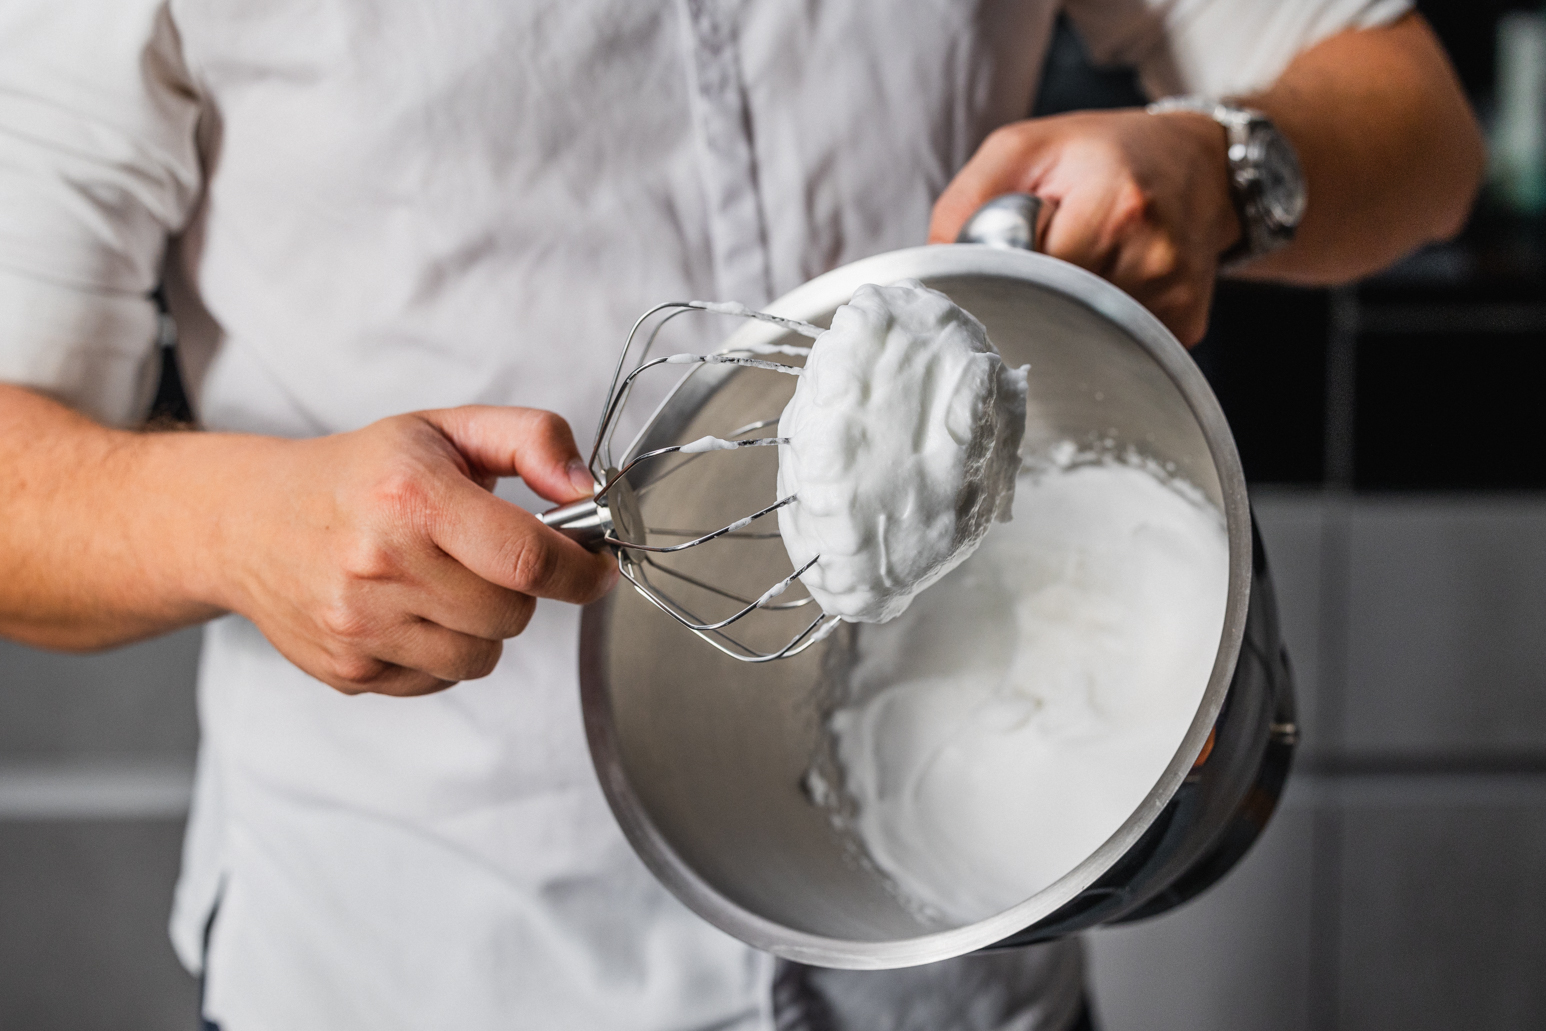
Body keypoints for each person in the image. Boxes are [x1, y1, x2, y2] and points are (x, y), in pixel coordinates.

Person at [0, 1, 1480, 1028]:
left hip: (962, 957)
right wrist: (234, 521)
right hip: (416, 967)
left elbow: (1418, 123)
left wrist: (1221, 170)